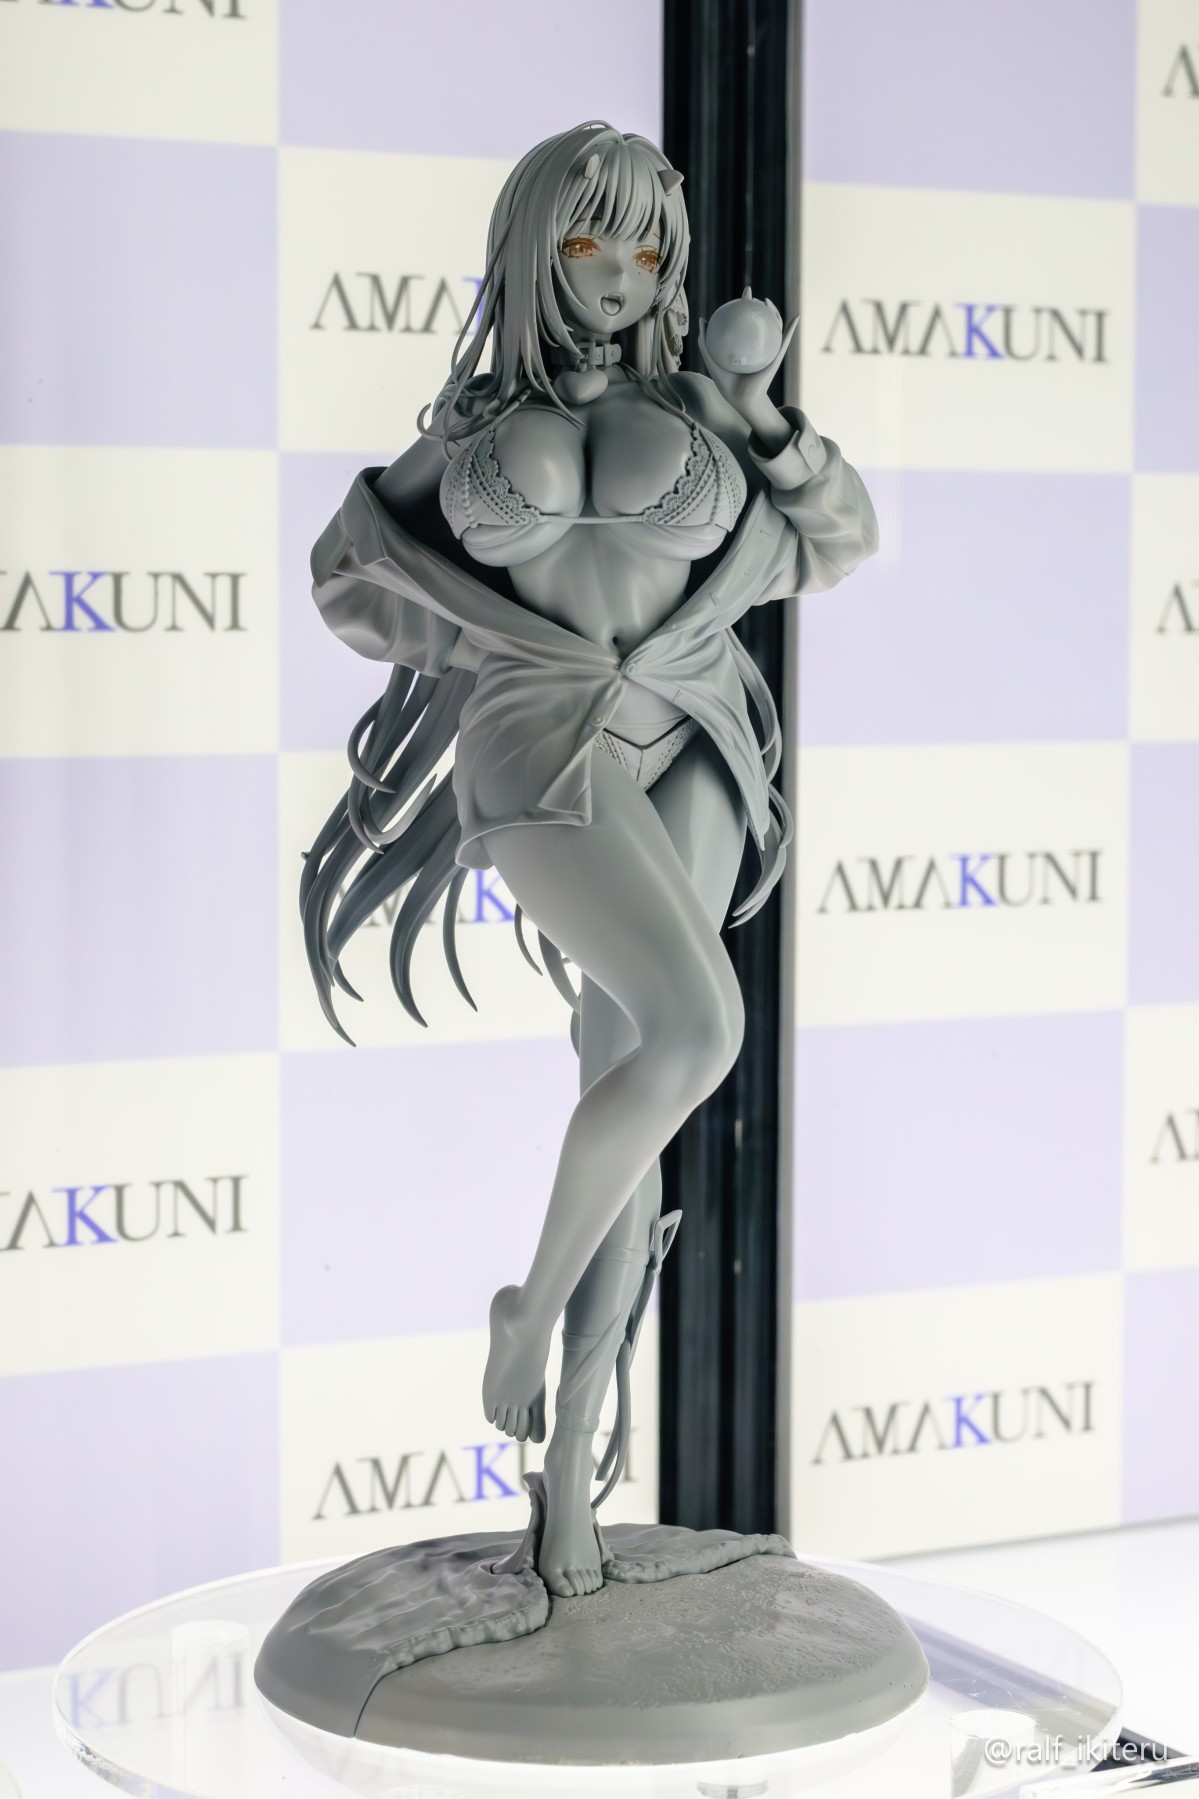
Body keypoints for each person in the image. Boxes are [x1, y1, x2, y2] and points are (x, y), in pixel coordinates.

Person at [302, 120, 878, 1598]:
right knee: (697, 1031)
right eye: (587, 238)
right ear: (531, 245)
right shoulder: (473, 426)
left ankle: (568, 1484)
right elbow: (346, 576)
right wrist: (489, 641)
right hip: (541, 741)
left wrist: (761, 414)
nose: (621, 272)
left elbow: (839, 538)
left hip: (693, 734)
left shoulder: (700, 400)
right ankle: (528, 1309)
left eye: (648, 246)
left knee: (636, 1082)